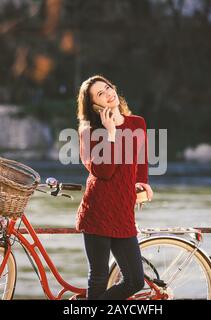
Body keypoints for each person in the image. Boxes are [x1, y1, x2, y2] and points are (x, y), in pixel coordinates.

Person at [75, 75, 153, 300]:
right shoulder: (88, 132)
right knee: (98, 278)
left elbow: (141, 159)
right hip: (98, 211)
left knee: (135, 281)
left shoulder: (137, 123)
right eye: (100, 93)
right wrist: (110, 133)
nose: (108, 93)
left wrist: (142, 182)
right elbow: (104, 171)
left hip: (123, 212)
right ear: (93, 105)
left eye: (108, 87)